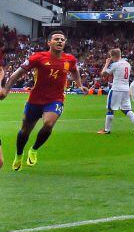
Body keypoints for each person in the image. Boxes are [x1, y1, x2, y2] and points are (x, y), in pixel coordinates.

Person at [0, 29, 85, 171]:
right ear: (49, 42)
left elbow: (75, 70)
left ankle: (33, 150)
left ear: (65, 43)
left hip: (55, 100)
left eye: (62, 39)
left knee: (48, 124)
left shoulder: (69, 59)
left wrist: (80, 84)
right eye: (56, 39)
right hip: (35, 100)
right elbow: (18, 73)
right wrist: (6, 90)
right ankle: (19, 155)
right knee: (25, 131)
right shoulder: (38, 57)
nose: (60, 41)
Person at [97, 48, 134, 135]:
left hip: (116, 89)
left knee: (110, 108)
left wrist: (106, 64)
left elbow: (103, 74)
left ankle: (107, 130)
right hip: (126, 89)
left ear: (113, 56)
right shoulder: (127, 64)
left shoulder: (115, 64)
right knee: (125, 109)